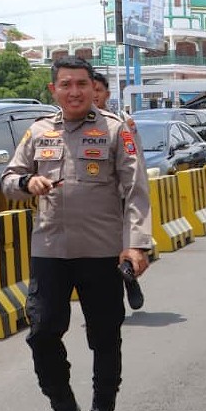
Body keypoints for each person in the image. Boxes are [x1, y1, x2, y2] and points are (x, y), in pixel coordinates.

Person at [2, 56, 151, 411]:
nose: (74, 91)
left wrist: (136, 243)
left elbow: (135, 190)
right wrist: (26, 182)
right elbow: (8, 179)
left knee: (104, 336)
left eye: (81, 84)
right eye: (65, 84)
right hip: (50, 250)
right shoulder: (37, 132)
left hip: (101, 251)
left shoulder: (115, 131)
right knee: (43, 333)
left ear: (92, 87)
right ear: (54, 89)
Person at [91, 72, 145, 311]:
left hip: (119, 197)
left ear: (107, 94)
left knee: (118, 249)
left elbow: (136, 160)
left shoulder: (121, 123)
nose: (92, 96)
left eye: (97, 91)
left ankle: (129, 279)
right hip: (91, 202)